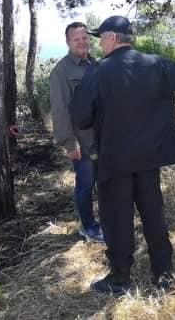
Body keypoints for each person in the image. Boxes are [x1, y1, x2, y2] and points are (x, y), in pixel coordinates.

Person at [70, 15, 175, 294]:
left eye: (101, 38)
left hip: (114, 160)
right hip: (149, 158)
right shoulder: (156, 63)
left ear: (112, 38)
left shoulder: (99, 71)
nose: (99, 44)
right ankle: (163, 272)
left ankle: (120, 277)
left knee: (117, 219)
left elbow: (80, 117)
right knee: (153, 214)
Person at [49, 22, 103, 243]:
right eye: (76, 39)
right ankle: (88, 227)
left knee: (104, 182)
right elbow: (60, 110)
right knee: (86, 184)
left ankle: (106, 221)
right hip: (82, 141)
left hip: (102, 138)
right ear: (68, 42)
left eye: (84, 38)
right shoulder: (61, 71)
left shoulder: (96, 64)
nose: (81, 42)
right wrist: (69, 143)